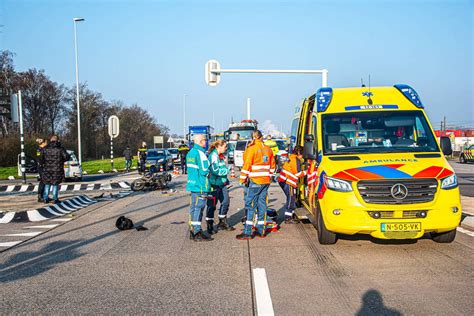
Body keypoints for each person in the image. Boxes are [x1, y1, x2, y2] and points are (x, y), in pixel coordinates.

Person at [237, 130, 275, 240]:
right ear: (261, 137)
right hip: (265, 181)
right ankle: (261, 230)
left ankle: (248, 232)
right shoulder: (268, 149)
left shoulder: (251, 149)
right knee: (262, 204)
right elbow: (273, 166)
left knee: (250, 205)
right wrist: (268, 175)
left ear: (253, 137)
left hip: (255, 180)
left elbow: (247, 165)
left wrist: (242, 179)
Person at [186, 134, 213, 242]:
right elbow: (204, 170)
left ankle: (193, 230)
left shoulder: (190, 153)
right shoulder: (201, 153)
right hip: (201, 185)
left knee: (193, 208)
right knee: (199, 208)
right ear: (201, 141)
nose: (206, 142)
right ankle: (197, 231)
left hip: (192, 184)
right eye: (205, 140)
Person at [206, 140, 235, 234]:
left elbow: (221, 168)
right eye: (225, 146)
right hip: (213, 185)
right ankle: (209, 225)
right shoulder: (213, 156)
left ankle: (222, 222)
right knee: (211, 206)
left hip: (222, 184)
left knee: (225, 202)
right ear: (219, 146)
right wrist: (227, 170)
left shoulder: (221, 156)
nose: (226, 148)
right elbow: (216, 171)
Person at [277, 145, 306, 223]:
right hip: (288, 182)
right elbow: (297, 174)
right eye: (303, 154)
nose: (303, 156)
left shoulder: (292, 158)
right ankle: (288, 218)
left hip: (284, 180)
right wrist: (306, 172)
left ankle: (290, 215)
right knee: (291, 199)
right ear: (299, 153)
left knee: (290, 198)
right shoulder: (295, 160)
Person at [40, 135, 70, 204]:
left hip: (47, 169)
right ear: (58, 140)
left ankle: (45, 198)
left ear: (51, 140)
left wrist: (44, 163)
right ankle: (55, 199)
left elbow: (41, 158)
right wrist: (61, 160)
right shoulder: (60, 149)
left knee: (47, 183)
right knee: (55, 184)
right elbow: (67, 157)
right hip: (57, 169)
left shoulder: (45, 148)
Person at [35, 138, 48, 202]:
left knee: (45, 181)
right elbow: (39, 159)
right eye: (46, 142)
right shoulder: (40, 150)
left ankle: (44, 195)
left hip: (44, 167)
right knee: (43, 181)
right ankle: (40, 196)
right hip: (41, 167)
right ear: (43, 143)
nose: (47, 143)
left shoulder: (43, 149)